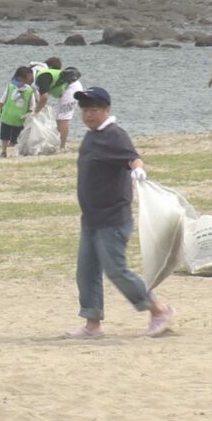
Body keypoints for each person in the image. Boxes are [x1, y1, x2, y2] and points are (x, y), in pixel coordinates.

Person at [67, 86, 175, 339]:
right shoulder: (91, 135)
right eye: (85, 110)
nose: (88, 115)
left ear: (107, 110)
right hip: (91, 219)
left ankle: (158, 310)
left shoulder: (115, 135)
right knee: (86, 271)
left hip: (112, 219)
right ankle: (92, 325)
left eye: (94, 110)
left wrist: (139, 170)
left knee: (116, 270)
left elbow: (133, 159)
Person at [32, 57, 83, 151]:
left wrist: (35, 112)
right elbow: (41, 96)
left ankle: (62, 146)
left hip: (72, 89)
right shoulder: (44, 75)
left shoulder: (43, 76)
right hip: (68, 88)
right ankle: (59, 143)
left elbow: (44, 97)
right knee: (59, 118)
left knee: (63, 118)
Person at [0, 66, 35, 158]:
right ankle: (3, 151)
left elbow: (32, 106)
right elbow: (2, 99)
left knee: (17, 137)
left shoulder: (30, 91)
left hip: (20, 119)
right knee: (4, 136)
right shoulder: (10, 87)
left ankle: (17, 152)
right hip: (7, 117)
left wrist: (29, 114)